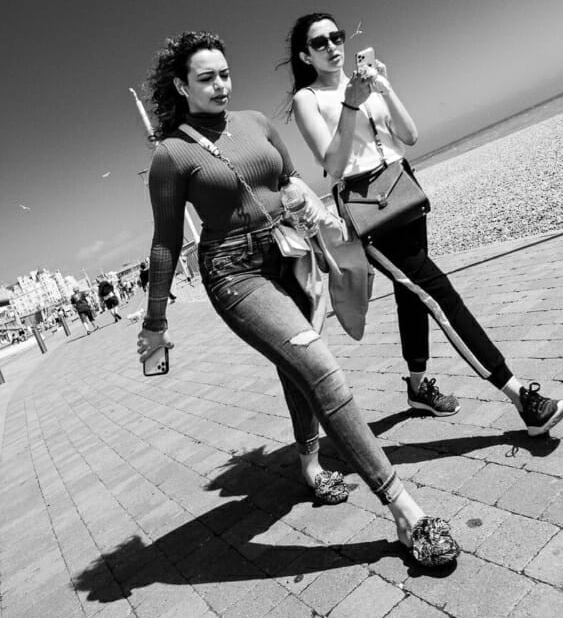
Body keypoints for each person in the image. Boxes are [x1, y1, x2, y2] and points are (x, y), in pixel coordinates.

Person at [135, 30, 460, 568]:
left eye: (224, 73)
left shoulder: (256, 122)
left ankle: (309, 464)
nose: (220, 84)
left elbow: (289, 181)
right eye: (206, 77)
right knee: (320, 366)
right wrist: (154, 322)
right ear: (180, 85)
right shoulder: (172, 154)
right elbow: (165, 241)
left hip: (288, 252)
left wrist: (330, 228)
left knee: (298, 367)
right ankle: (407, 513)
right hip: (234, 274)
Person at [286, 12, 563, 436]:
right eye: (320, 42)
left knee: (412, 296)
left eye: (336, 36)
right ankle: (520, 398)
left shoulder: (368, 84)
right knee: (439, 293)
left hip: (402, 189)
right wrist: (349, 103)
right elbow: (333, 165)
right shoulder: (309, 99)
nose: (332, 46)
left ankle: (418, 389)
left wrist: (383, 87)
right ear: (305, 55)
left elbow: (410, 135)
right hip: (367, 209)